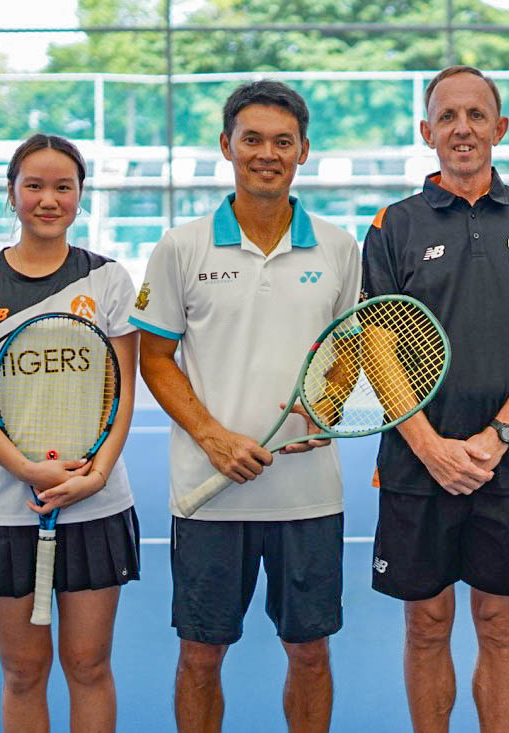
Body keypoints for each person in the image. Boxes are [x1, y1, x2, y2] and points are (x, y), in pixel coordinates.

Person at [131, 80, 360, 733]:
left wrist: (330, 403)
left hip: (309, 497)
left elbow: (349, 351)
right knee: (201, 655)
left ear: (304, 151)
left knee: (310, 654)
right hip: (210, 493)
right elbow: (155, 359)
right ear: (226, 146)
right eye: (252, 139)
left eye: (282, 141)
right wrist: (213, 437)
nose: (267, 153)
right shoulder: (182, 245)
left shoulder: (340, 247)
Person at [361, 65, 509, 732]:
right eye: (448, 116)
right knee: (427, 623)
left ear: (499, 128)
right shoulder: (391, 225)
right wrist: (428, 446)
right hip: (414, 464)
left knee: (498, 619)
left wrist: (497, 437)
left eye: (476, 115)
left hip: (505, 463)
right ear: (426, 131)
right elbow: (379, 346)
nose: (462, 128)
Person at [0, 134, 141, 732]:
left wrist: (97, 474)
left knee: (89, 664)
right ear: (12, 193)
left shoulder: (108, 281)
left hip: (94, 500)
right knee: (23, 671)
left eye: (63, 187)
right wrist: (26, 469)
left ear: (80, 196)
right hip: (4, 505)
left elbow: (121, 391)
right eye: (35, 186)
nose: (48, 200)